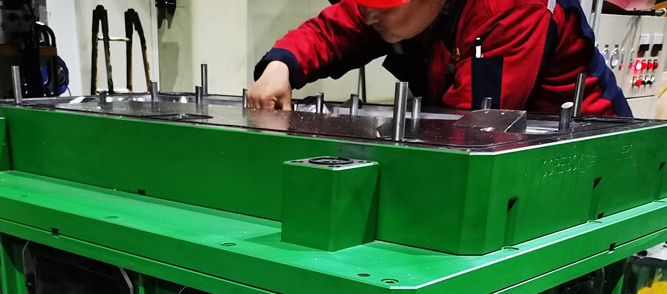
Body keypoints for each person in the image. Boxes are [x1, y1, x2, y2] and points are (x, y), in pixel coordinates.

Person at [248, 0, 630, 117]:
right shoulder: (398, 10)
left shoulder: (508, 11)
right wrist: (280, 67)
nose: (368, 15)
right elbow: (335, 29)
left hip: (584, 148)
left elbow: (475, 129)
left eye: (380, 6)